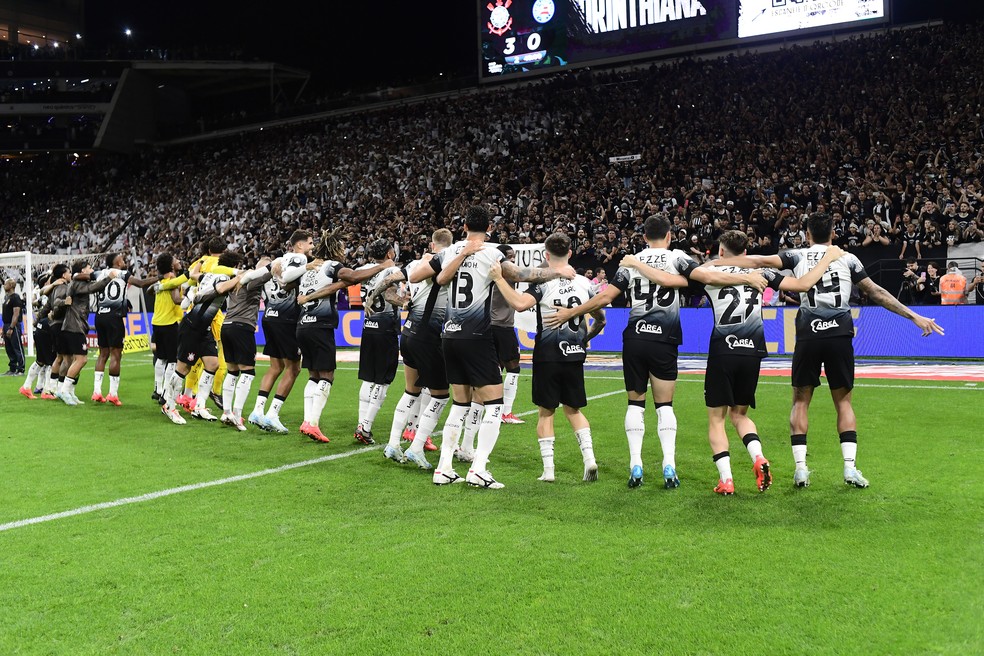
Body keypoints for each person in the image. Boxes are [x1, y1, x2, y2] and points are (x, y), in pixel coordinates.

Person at [712, 212, 943, 488]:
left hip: (808, 334)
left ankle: (801, 470)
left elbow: (756, 261)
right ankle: (850, 468)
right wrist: (914, 316)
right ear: (833, 233)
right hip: (839, 333)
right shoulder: (847, 258)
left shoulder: (797, 255)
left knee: (800, 401)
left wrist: (718, 263)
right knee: (843, 402)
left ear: (807, 234)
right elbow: (876, 292)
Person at [546, 215, 766, 489]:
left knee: (635, 405)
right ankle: (668, 465)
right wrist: (747, 277)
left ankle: (635, 463)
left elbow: (605, 297)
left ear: (644, 237)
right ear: (670, 235)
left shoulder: (631, 262)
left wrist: (572, 312)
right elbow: (708, 276)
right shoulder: (678, 258)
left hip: (636, 338)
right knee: (664, 406)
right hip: (664, 339)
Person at [624, 230, 848, 494]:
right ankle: (758, 457)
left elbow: (673, 280)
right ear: (746, 251)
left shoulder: (709, 272)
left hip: (723, 349)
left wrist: (636, 263)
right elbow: (802, 285)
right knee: (740, 414)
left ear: (721, 251)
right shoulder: (762, 273)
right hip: (753, 351)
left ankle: (726, 480)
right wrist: (828, 258)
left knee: (716, 419)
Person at [408, 204, 575, 489]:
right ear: (490, 228)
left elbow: (415, 276)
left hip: (449, 335)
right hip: (476, 336)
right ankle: (478, 469)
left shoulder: (450, 251)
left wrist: (458, 255)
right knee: (495, 406)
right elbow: (522, 275)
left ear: (463, 227)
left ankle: (444, 468)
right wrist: (558, 271)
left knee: (460, 404)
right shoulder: (492, 253)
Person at [488, 232, 607, 482]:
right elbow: (601, 319)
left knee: (546, 412)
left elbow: (520, 304)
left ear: (546, 255)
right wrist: (584, 339)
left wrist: (499, 279)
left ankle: (549, 471)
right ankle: (589, 459)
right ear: (570, 253)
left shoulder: (543, 282)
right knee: (573, 410)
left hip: (548, 353)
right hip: (574, 354)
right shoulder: (585, 283)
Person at [366, 228, 457, 468]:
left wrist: (370, 298)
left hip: (408, 333)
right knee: (440, 395)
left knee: (411, 391)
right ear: (451, 245)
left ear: (432, 244)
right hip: (429, 336)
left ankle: (393, 444)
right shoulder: (448, 263)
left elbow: (389, 280)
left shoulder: (417, 263)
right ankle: (416, 447)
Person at [293, 229, 394, 443]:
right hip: (320, 326)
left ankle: (307, 420)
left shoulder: (309, 269)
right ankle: (312, 423)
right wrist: (382, 266)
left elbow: (335, 285)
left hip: (303, 325)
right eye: (341, 247)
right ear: (334, 248)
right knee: (327, 375)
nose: (343, 251)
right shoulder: (331, 265)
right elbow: (353, 277)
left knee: (313, 375)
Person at [161, 252, 245, 424]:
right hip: (192, 326)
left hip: (204, 328)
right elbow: (220, 289)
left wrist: (200, 264)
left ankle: (199, 406)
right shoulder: (223, 278)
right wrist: (238, 276)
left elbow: (193, 275)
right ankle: (169, 406)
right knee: (183, 368)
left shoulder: (208, 275)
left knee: (212, 364)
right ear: (234, 266)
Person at [248, 229, 314, 433]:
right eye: (310, 243)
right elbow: (289, 282)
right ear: (300, 245)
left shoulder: (277, 262)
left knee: (275, 367)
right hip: (286, 319)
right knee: (293, 368)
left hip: (269, 315)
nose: (312, 247)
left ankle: (257, 411)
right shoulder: (299, 260)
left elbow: (256, 280)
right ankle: (272, 414)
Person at [353, 239, 403, 445]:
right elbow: (390, 296)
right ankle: (365, 427)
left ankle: (361, 424)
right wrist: (409, 302)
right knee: (382, 381)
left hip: (368, 327)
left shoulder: (364, 270)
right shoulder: (391, 271)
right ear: (390, 253)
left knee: (368, 378)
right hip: (385, 328)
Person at [91, 252, 158, 405]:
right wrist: (160, 277)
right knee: (116, 354)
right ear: (117, 263)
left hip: (100, 316)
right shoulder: (122, 273)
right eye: (121, 259)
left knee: (103, 354)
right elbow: (141, 283)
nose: (123, 261)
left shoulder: (99, 273)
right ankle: (113, 394)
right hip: (114, 318)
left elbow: (81, 276)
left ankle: (97, 391)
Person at [219, 256, 273, 430]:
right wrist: (277, 265)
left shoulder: (236, 279)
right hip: (242, 327)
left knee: (232, 372)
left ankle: (227, 412)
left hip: (227, 325)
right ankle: (237, 415)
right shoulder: (252, 281)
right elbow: (270, 272)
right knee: (248, 372)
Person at [52, 261, 117, 405]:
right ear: (83, 270)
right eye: (89, 268)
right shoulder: (77, 283)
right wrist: (109, 278)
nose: (92, 270)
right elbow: (93, 287)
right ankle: (64, 390)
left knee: (75, 361)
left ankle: (70, 392)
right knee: (82, 360)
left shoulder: (77, 282)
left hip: (74, 326)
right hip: (74, 326)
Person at [490, 244, 525, 425]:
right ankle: (506, 413)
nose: (513, 260)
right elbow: (528, 274)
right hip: (502, 326)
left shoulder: (492, 271)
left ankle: (493, 411)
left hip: (490, 325)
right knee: (513, 368)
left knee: (497, 367)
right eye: (510, 256)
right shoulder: (505, 272)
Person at [150, 254, 188, 403]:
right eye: (176, 260)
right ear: (172, 266)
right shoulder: (173, 281)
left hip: (157, 322)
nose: (179, 261)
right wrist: (192, 299)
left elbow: (149, 291)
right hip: (170, 323)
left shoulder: (161, 281)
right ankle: (166, 394)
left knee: (161, 358)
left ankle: (158, 389)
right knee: (172, 360)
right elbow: (176, 299)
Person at [2, 278, 26, 377]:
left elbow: (16, 314)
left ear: (11, 285)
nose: (4, 286)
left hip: (13, 325)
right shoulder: (7, 298)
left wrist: (11, 327)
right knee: (9, 348)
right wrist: (4, 328)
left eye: (6, 284)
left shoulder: (15, 297)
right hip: (6, 324)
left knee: (17, 347)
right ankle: (12, 368)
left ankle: (21, 369)